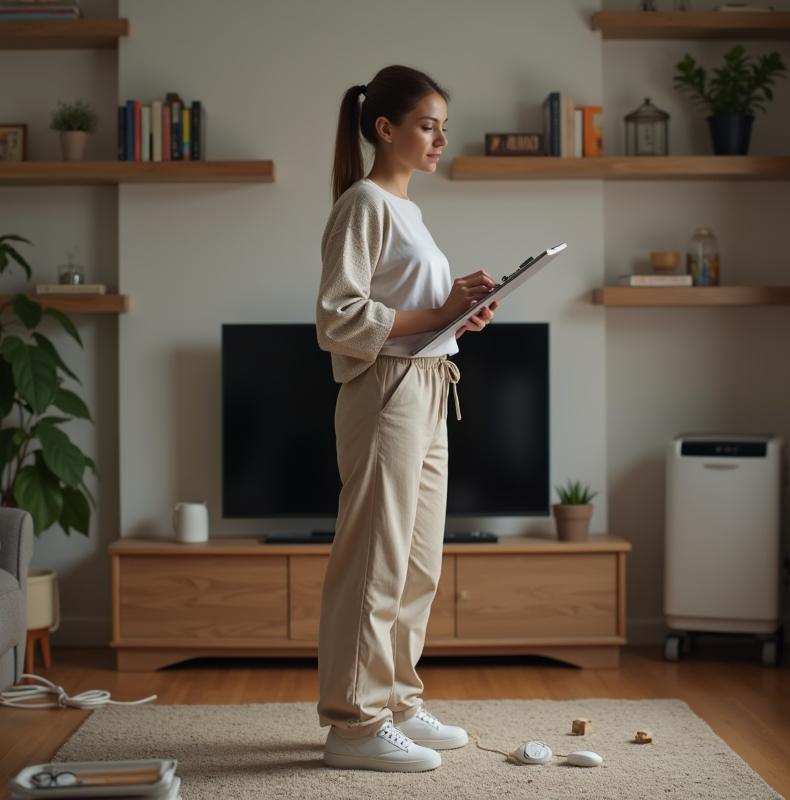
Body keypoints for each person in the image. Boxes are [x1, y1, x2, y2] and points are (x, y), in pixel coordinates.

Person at [314, 65, 499, 773]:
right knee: (375, 558)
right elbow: (338, 316)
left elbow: (411, 315)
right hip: (385, 391)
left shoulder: (409, 211)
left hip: (428, 380)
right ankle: (352, 725)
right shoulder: (363, 202)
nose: (440, 138)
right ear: (384, 127)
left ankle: (394, 703)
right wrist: (444, 310)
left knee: (418, 559)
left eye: (443, 126)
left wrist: (459, 319)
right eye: (428, 124)